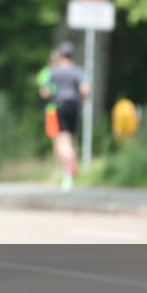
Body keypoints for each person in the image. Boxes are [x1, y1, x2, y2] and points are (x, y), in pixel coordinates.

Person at [39, 41, 90, 190]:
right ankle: (72, 161)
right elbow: (85, 90)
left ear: (61, 55)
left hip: (59, 106)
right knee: (72, 139)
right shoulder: (78, 71)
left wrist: (50, 95)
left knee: (62, 140)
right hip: (74, 106)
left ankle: (67, 172)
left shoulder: (54, 71)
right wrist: (81, 97)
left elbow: (45, 91)